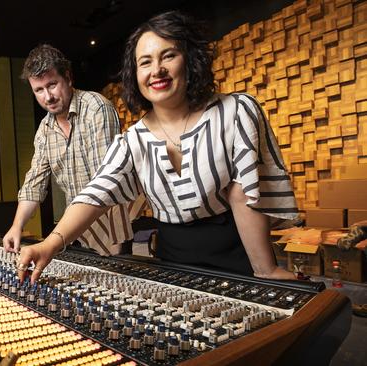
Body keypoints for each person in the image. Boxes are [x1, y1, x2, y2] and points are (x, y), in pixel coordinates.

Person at [15, 11, 299, 282]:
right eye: (145, 62)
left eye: (169, 56)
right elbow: (95, 193)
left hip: (236, 251)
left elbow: (244, 192)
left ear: (189, 59)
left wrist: (265, 269)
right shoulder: (132, 140)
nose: (157, 70)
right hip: (171, 256)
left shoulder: (236, 111)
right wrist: (49, 245)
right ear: (134, 73)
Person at [3, 44, 145, 257]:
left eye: (52, 85)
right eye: (38, 90)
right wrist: (17, 226)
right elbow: (34, 184)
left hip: (110, 232)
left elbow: (105, 183)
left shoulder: (96, 108)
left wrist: (54, 239)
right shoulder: (44, 130)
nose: (47, 97)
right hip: (75, 233)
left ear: (68, 78)